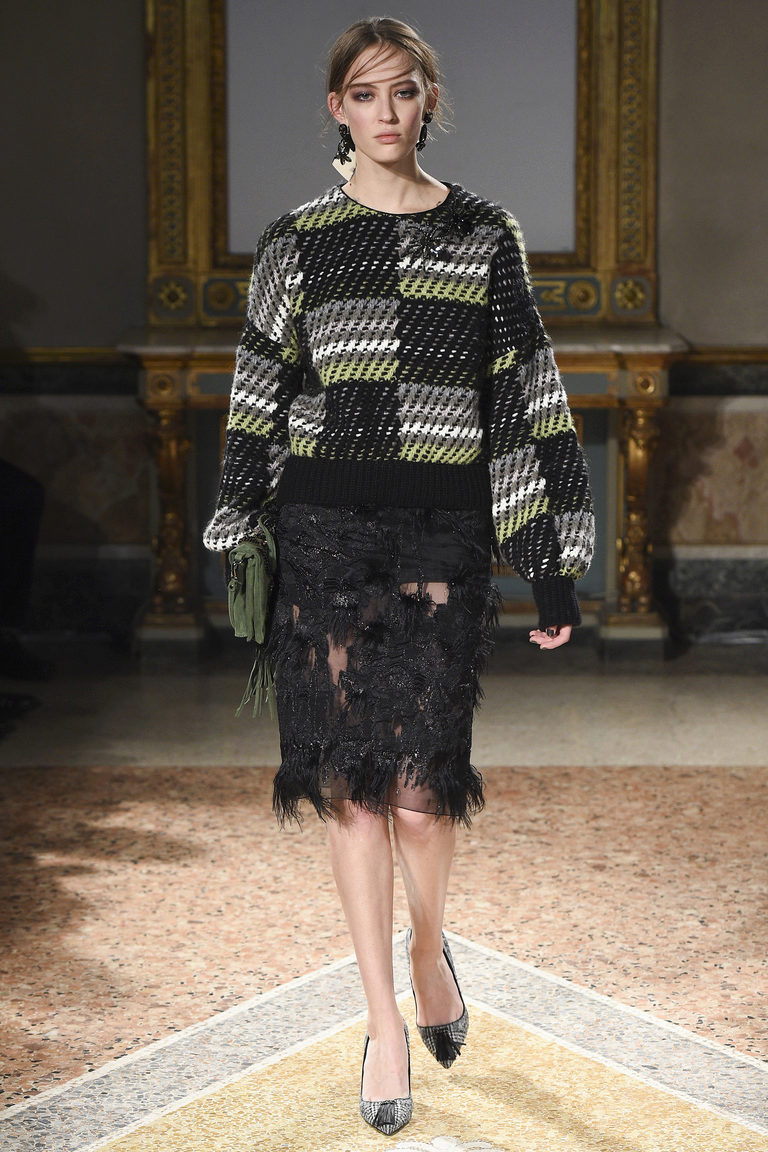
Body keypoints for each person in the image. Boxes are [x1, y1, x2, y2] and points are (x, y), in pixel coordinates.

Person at [204, 17, 594, 1136]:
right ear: (337, 109)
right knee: (353, 787)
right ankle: (383, 1021)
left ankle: (429, 950)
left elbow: (526, 393)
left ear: (429, 102)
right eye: (365, 94)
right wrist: (243, 533)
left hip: (441, 534)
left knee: (423, 796)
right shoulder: (298, 241)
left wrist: (549, 563)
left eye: (405, 91)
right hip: (326, 531)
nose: (386, 112)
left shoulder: (484, 234)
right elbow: (258, 394)